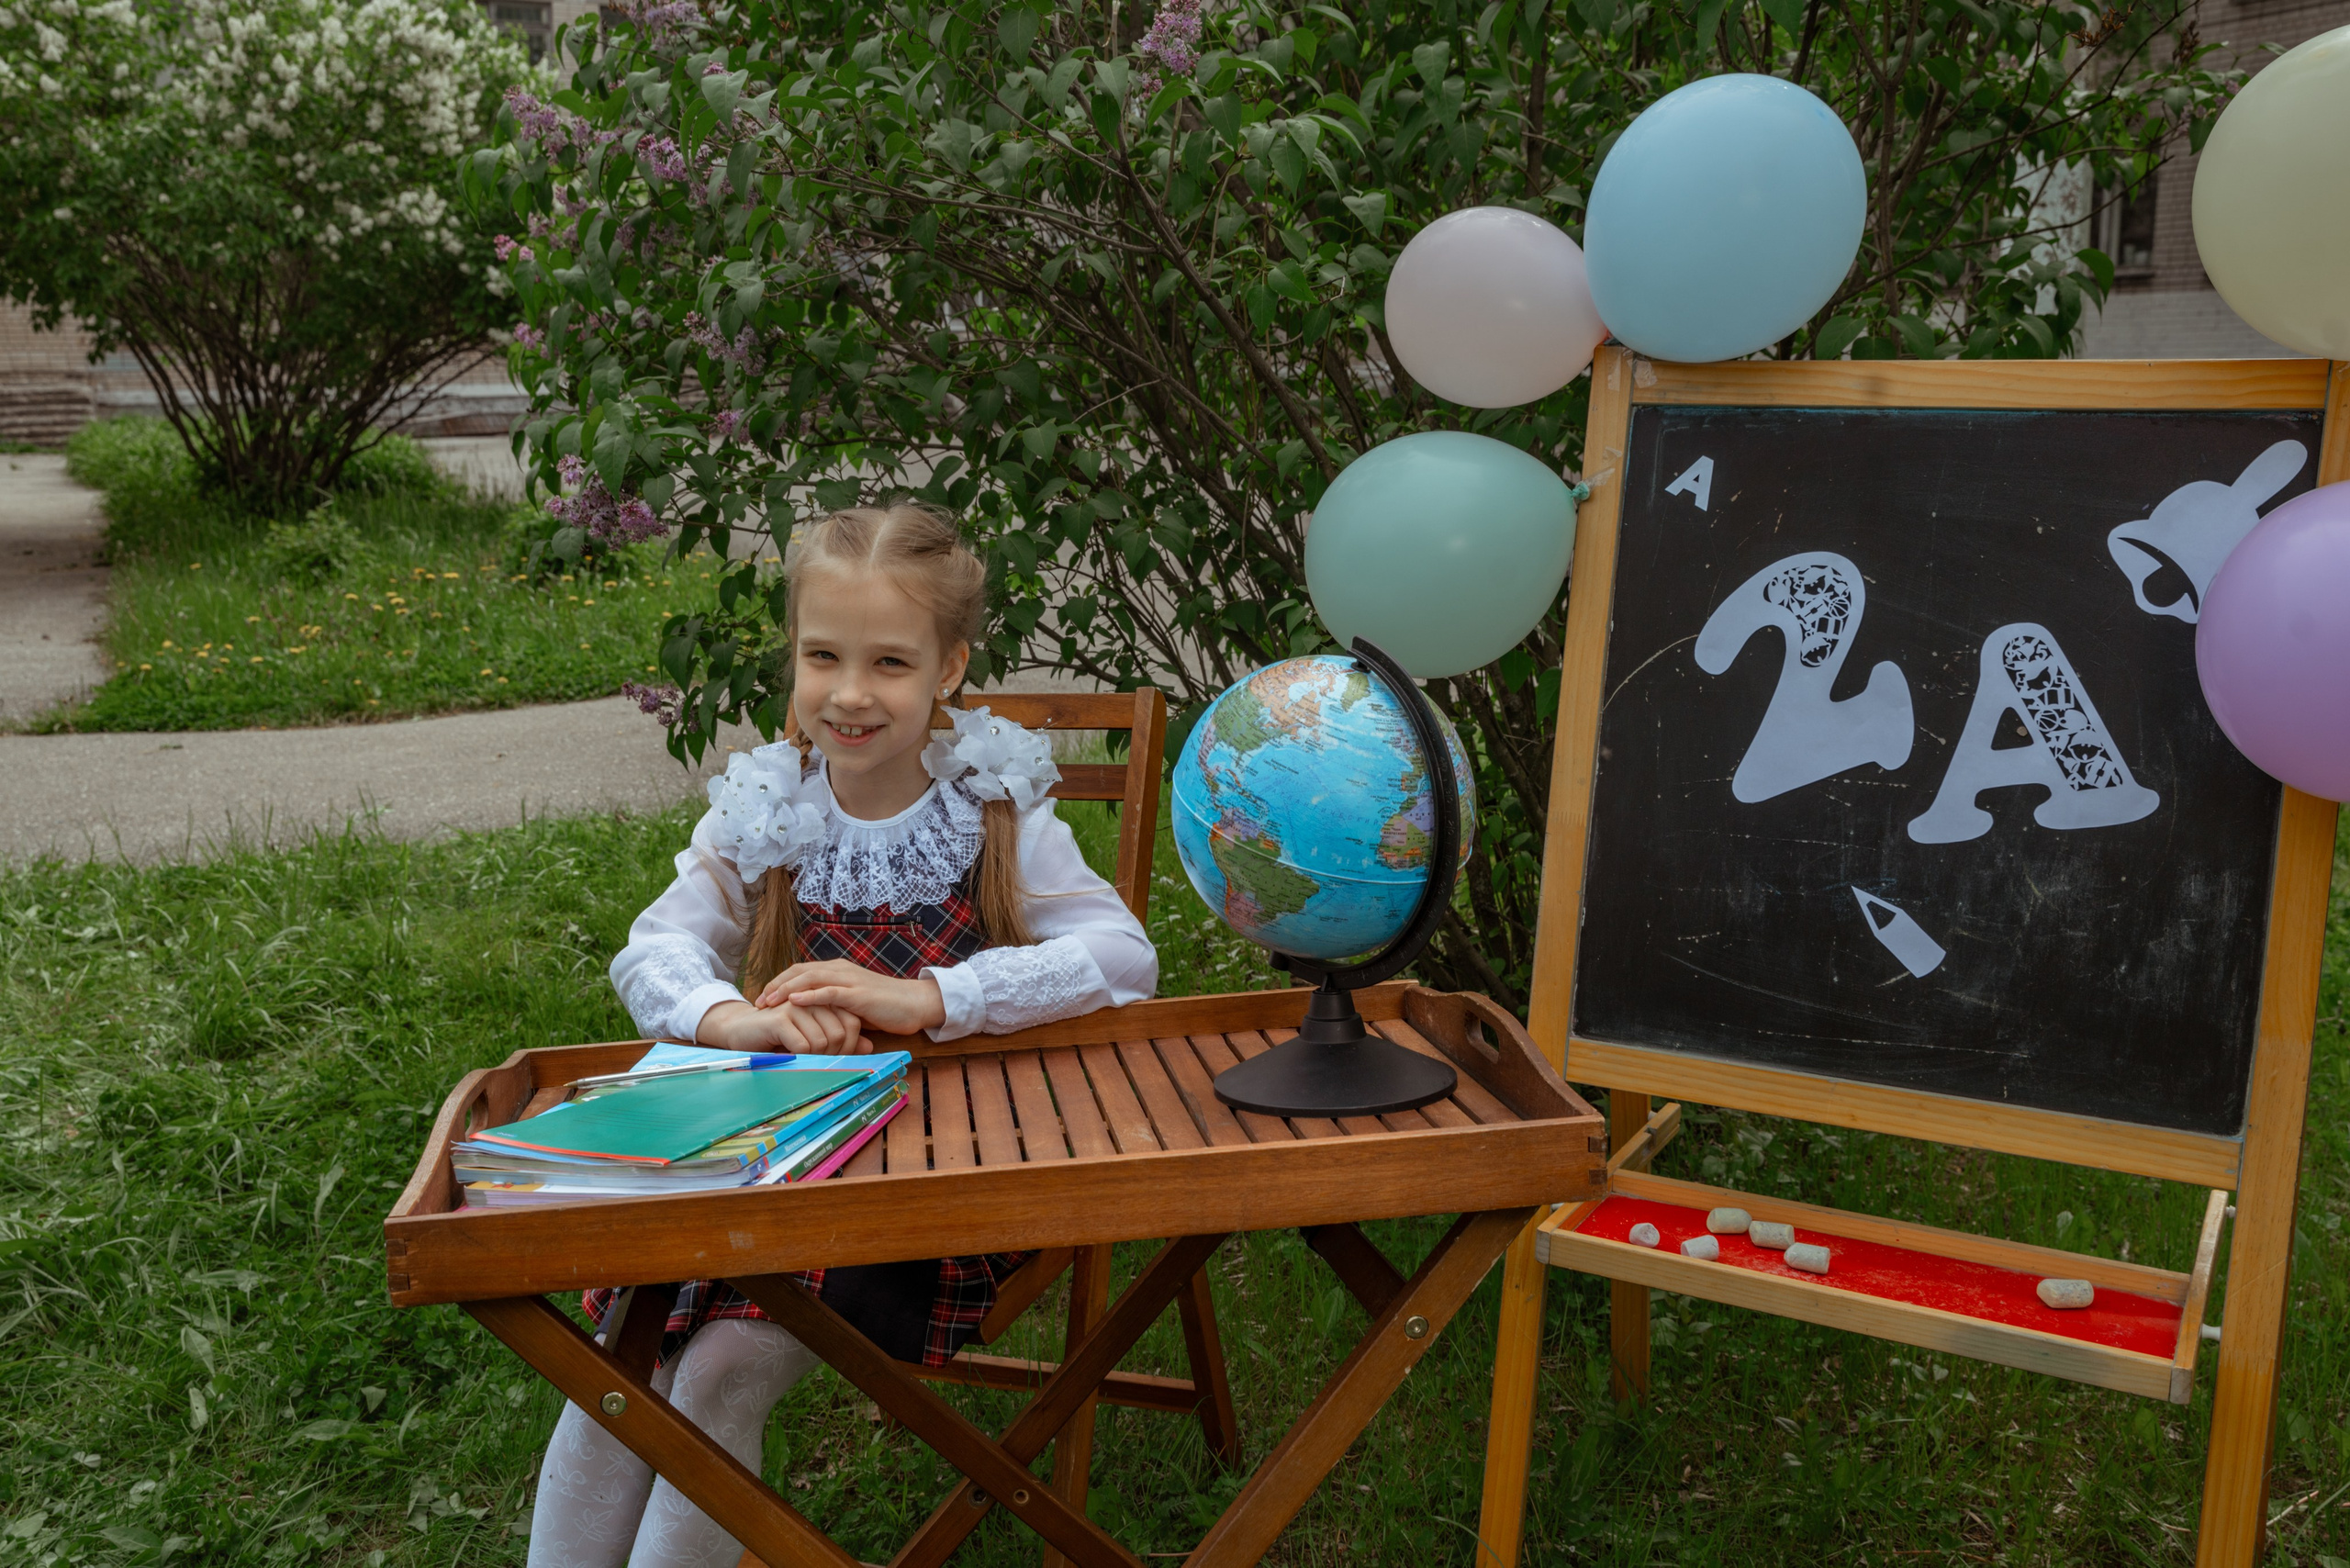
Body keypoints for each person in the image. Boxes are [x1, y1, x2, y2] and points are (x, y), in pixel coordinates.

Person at [524, 503, 1158, 1568]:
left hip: (938, 1175)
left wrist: (932, 999)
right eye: (824, 655)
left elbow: (1124, 957)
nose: (851, 693)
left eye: (891, 662)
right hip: (771, 1148)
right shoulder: (766, 806)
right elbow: (654, 947)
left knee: (720, 1365)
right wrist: (738, 1016)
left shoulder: (991, 807)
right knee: (622, 1359)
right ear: (795, 656)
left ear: (949, 667)